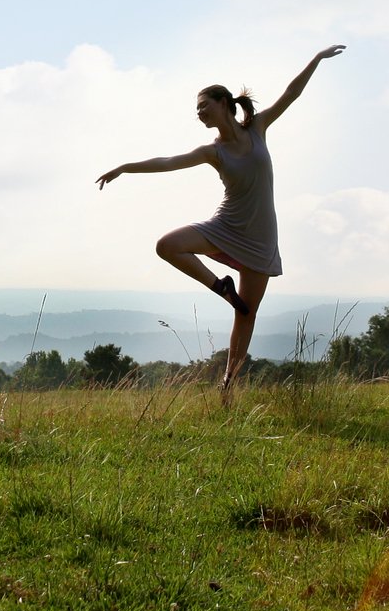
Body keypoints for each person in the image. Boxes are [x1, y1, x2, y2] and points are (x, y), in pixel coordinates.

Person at [96, 46, 345, 402]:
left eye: (203, 106)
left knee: (246, 316)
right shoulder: (213, 152)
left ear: (224, 103)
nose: (199, 113)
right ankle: (220, 287)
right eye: (196, 110)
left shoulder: (257, 128)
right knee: (167, 245)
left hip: (260, 238)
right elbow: (168, 161)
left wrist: (317, 60)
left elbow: (291, 94)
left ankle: (228, 386)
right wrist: (125, 167)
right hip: (225, 228)